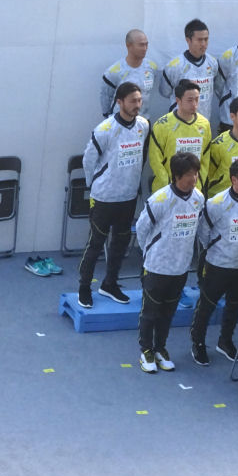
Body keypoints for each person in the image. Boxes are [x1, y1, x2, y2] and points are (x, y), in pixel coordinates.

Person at [79, 82, 150, 308]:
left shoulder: (144, 125)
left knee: (120, 244)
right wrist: (93, 184)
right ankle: (84, 288)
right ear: (119, 102)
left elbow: (142, 154)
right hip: (104, 197)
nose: (137, 105)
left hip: (128, 196)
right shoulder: (105, 129)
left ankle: (109, 284)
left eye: (139, 100)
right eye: (133, 101)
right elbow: (88, 160)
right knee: (95, 244)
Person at [135, 152, 204, 374]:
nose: (194, 178)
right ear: (177, 176)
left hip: (181, 267)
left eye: (196, 173)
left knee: (168, 312)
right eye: (189, 174)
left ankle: (160, 348)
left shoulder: (198, 198)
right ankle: (146, 350)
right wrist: (150, 253)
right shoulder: (160, 199)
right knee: (150, 312)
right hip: (157, 266)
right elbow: (142, 229)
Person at [191, 159, 238, 365]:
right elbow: (203, 231)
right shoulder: (216, 203)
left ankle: (225, 341)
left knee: (234, 305)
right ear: (233, 179)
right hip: (218, 265)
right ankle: (198, 342)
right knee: (206, 306)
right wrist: (218, 249)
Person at [149, 79, 211, 192]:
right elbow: (155, 159)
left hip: (193, 189)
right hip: (166, 190)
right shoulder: (162, 125)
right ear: (178, 100)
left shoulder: (204, 124)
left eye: (197, 99)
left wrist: (198, 184)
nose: (194, 104)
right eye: (190, 100)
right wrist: (169, 185)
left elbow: (205, 159)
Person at [160, 18, 219, 120]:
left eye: (206, 39)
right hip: (179, 122)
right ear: (188, 40)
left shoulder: (212, 63)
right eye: (199, 40)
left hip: (203, 122)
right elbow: (165, 92)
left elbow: (217, 87)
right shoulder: (174, 66)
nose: (203, 44)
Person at [100, 29, 158, 120]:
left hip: (143, 120)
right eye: (141, 45)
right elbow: (105, 97)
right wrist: (108, 118)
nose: (145, 48)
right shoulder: (114, 72)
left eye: (146, 44)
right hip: (120, 122)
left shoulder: (152, 67)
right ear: (129, 46)